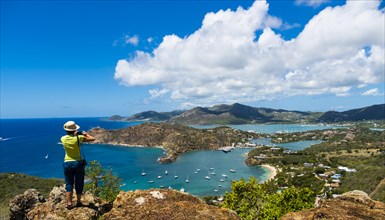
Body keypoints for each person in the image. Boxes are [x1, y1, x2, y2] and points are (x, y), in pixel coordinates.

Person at [61, 121, 95, 209]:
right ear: (75, 130)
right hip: (78, 163)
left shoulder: (63, 138)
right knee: (79, 183)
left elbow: (69, 138)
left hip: (67, 163)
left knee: (69, 184)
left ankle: (69, 203)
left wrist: (74, 134)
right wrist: (85, 134)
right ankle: (79, 202)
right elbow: (92, 139)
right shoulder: (79, 138)